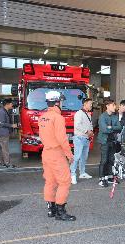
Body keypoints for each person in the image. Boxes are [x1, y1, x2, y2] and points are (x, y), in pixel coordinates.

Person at [38, 91, 75, 221]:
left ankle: (51, 209)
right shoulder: (58, 118)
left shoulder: (42, 117)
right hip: (56, 153)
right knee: (64, 181)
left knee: (50, 181)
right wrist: (69, 155)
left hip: (46, 152)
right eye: (61, 101)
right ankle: (60, 212)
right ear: (58, 102)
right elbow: (62, 139)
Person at [97, 99, 122, 187]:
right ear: (107, 106)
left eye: (115, 105)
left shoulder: (115, 117)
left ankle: (110, 177)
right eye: (113, 105)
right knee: (104, 160)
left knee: (112, 160)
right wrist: (112, 128)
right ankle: (101, 179)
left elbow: (119, 127)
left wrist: (110, 127)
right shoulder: (102, 116)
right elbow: (104, 129)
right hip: (104, 141)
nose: (115, 107)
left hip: (113, 141)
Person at [70, 98, 94, 184]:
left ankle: (82, 173)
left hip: (86, 138)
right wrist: (87, 131)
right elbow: (77, 125)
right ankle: (72, 175)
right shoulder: (79, 113)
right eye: (90, 104)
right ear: (85, 104)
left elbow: (89, 125)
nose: (91, 105)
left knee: (84, 157)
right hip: (79, 138)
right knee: (77, 157)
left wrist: (91, 132)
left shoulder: (88, 114)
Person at [0, 98, 17, 168]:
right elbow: (0, 123)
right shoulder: (1, 112)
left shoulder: (5, 111)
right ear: (7, 104)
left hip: (4, 133)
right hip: (2, 133)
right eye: (11, 103)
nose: (12, 105)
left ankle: (0, 162)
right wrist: (11, 125)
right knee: (5, 149)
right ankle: (7, 163)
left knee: (2, 148)